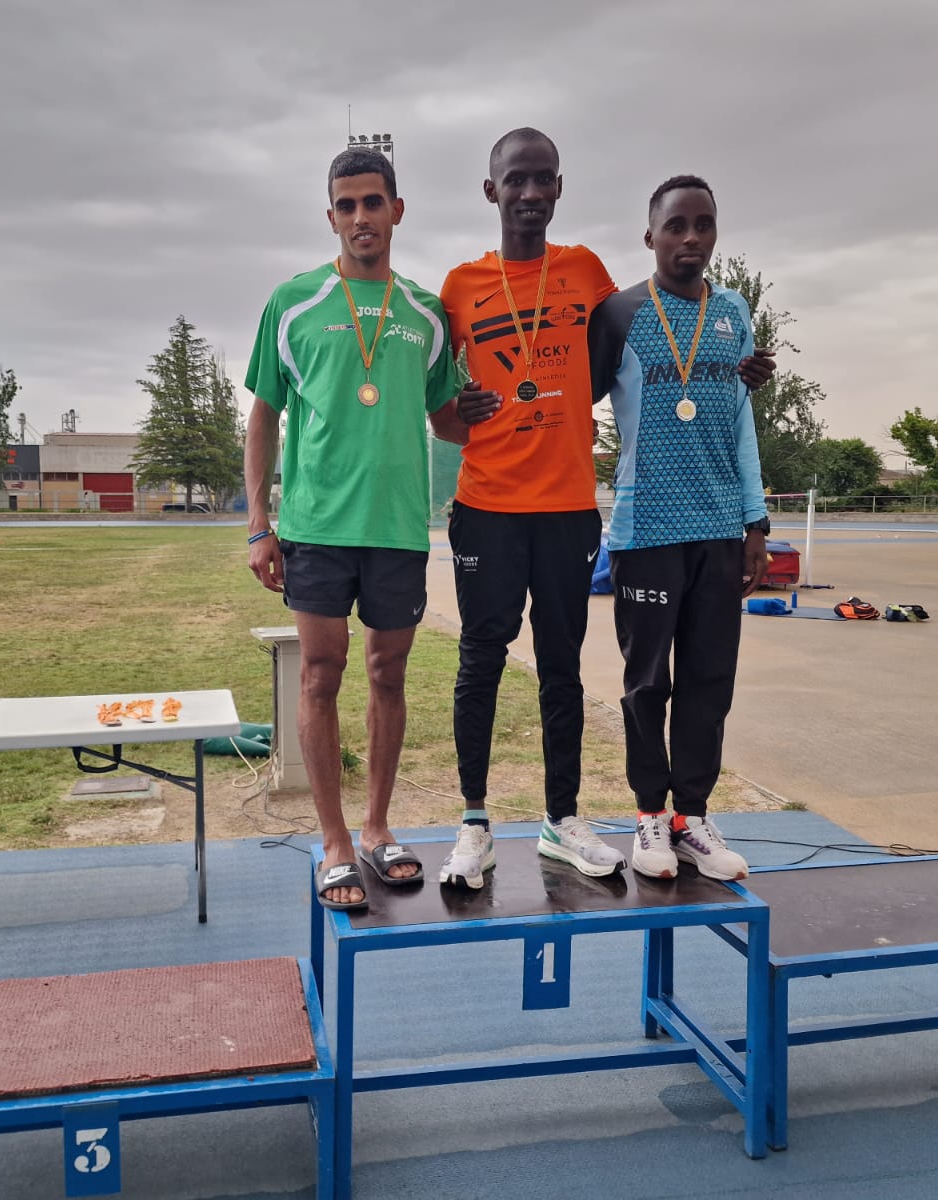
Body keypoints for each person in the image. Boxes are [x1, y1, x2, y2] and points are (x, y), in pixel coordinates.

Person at [244, 146, 467, 910]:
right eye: (346, 205)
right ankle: (333, 842)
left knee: (388, 674)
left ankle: (376, 828)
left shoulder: (427, 313)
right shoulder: (294, 303)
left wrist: (502, 409)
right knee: (319, 673)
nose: (360, 218)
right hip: (316, 526)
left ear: (397, 210)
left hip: (400, 528)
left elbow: (448, 420)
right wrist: (258, 523)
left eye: (373, 202)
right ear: (331, 215)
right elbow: (264, 417)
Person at [434, 128, 624, 888]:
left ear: (560, 188)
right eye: (517, 180)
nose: (531, 193)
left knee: (562, 667)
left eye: (544, 180)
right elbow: (441, 417)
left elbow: (615, 366)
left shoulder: (586, 274)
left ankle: (561, 819)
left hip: (568, 506)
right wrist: (461, 410)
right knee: (480, 660)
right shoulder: (458, 288)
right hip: (486, 505)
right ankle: (474, 823)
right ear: (492, 191)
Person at [587, 174, 777, 881]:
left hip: (720, 528)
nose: (690, 238)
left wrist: (756, 521)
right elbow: (575, 409)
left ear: (716, 234)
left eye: (703, 225)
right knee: (646, 685)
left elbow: (739, 421)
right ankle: (648, 819)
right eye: (676, 226)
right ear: (650, 236)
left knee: (708, 679)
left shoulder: (733, 314)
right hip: (645, 529)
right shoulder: (619, 314)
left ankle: (692, 816)